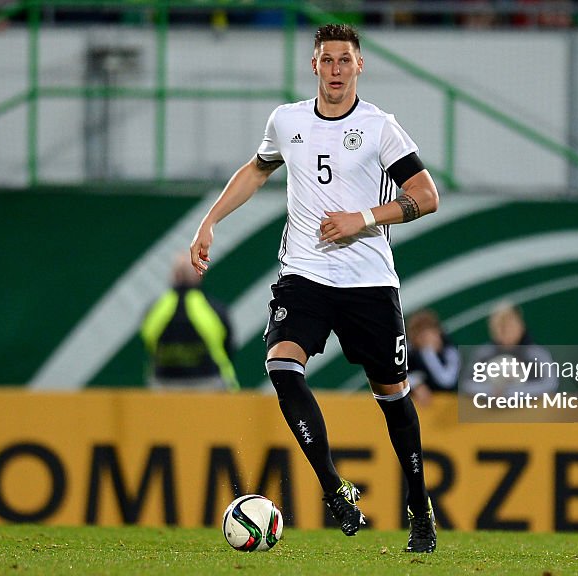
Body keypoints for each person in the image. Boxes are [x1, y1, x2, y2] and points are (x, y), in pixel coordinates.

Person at [189, 24, 440, 552]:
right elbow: (257, 171)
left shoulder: (380, 128)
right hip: (305, 274)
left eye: (345, 61)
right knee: (281, 365)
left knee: (393, 397)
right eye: (327, 61)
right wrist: (209, 222)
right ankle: (334, 489)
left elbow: (426, 195)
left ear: (359, 66)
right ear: (314, 66)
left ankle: (420, 510)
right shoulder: (288, 120)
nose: (335, 71)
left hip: (369, 282)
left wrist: (364, 218)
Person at [140, 254, 239, 392]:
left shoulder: (155, 310)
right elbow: (229, 347)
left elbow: (149, 342)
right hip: (210, 386)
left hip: (164, 386)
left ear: (174, 276)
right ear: (199, 275)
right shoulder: (213, 309)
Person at [462, 302, 559, 398]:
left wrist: (511, 392)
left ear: (520, 326)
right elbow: (468, 384)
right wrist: (491, 391)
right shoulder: (484, 354)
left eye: (510, 326)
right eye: (500, 327)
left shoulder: (536, 354)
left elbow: (550, 385)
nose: (506, 332)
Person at [406, 309, 461, 406]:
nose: (429, 340)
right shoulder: (410, 353)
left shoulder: (449, 350)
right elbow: (393, 376)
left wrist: (429, 353)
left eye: (432, 334)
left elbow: (447, 381)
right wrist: (415, 384)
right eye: (423, 337)